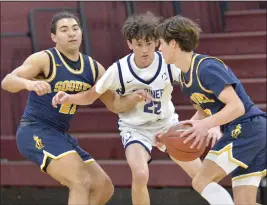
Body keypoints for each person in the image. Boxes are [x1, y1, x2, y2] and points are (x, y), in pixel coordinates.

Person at [52, 12, 222, 205]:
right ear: (130, 44)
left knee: (202, 176)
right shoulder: (119, 70)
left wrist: (209, 120)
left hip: (167, 125)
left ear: (157, 42)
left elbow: (197, 94)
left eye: (149, 43)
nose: (145, 50)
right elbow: (91, 96)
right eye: (139, 44)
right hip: (135, 129)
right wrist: (69, 97)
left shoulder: (167, 63)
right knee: (140, 174)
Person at [1, 11, 151, 205]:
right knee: (80, 181)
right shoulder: (45, 59)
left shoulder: (93, 68)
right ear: (54, 37)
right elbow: (7, 81)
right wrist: (29, 84)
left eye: (75, 28)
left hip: (60, 134)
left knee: (103, 186)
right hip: (34, 130)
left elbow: (115, 104)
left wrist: (134, 98)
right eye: (64, 29)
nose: (71, 33)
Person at [155, 15, 266, 205]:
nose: (159, 49)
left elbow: (237, 107)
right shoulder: (184, 78)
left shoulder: (206, 68)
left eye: (161, 44)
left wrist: (205, 125)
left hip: (247, 129)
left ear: (173, 43)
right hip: (251, 133)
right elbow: (203, 111)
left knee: (201, 181)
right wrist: (171, 134)